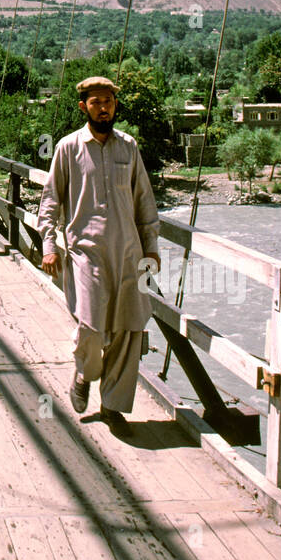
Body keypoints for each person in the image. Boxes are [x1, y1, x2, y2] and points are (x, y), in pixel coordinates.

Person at [37, 76, 160, 437]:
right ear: (83, 107)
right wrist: (48, 244)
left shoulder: (129, 148)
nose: (103, 107)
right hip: (85, 253)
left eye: (108, 101)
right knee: (91, 326)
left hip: (128, 254)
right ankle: (84, 373)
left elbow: (144, 201)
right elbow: (50, 200)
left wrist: (151, 247)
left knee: (128, 327)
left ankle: (113, 406)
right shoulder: (68, 148)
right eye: (96, 102)